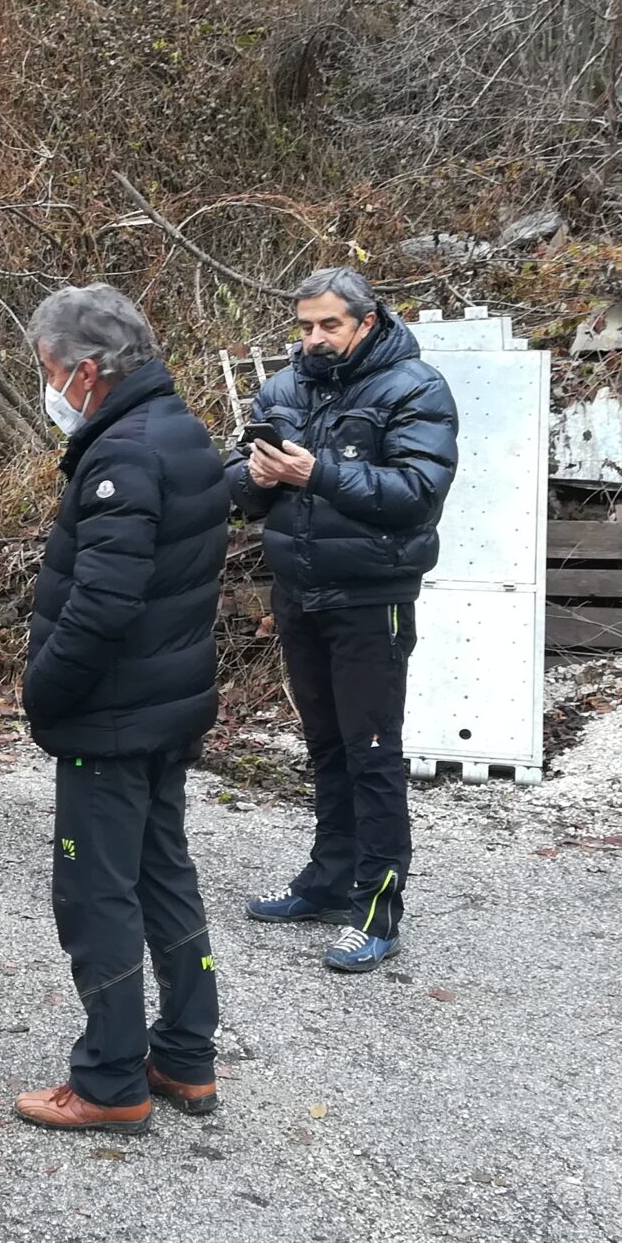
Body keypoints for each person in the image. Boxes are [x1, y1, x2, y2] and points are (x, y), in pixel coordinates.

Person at [11, 284, 231, 1136]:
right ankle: (185, 1054)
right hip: (164, 706)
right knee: (161, 873)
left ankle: (110, 1079)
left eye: (50, 370)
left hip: (113, 715)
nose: (50, 386)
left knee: (96, 893)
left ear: (90, 370)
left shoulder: (124, 455)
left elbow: (102, 605)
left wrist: (43, 691)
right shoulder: (179, 429)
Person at [228, 266, 458, 973]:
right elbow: (234, 482)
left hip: (371, 596)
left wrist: (316, 473)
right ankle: (328, 881)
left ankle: (378, 908)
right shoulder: (283, 389)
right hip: (298, 592)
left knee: (373, 751)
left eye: (329, 324)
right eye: (305, 325)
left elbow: (418, 491)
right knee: (325, 745)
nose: (315, 338)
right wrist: (254, 477)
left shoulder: (416, 388)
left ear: (367, 321)